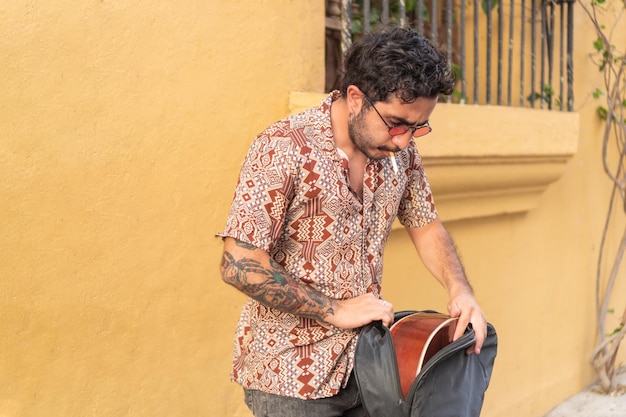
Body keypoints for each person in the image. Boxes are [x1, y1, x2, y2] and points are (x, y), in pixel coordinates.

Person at [218, 27, 488, 417]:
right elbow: (238, 264)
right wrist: (334, 309)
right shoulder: (283, 146)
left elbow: (426, 224)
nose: (403, 141)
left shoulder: (401, 154)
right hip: (290, 375)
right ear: (356, 97)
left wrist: (460, 291)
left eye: (417, 127)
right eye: (396, 123)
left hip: (368, 364)